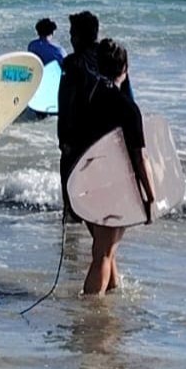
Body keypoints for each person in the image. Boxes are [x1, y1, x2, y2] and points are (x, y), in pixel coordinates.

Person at [75, 39, 155, 294]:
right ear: (125, 67)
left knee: (106, 248)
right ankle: (90, 316)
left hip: (85, 182)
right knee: (103, 254)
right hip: (113, 186)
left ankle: (111, 295)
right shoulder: (127, 108)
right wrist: (150, 197)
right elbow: (140, 158)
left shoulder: (87, 99)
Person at [57, 11, 132, 216]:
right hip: (108, 140)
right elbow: (127, 98)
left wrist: (64, 139)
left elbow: (66, 104)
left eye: (73, 34)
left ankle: (75, 240)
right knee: (102, 204)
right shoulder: (112, 57)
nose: (71, 38)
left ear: (79, 36)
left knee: (73, 203)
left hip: (78, 140)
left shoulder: (73, 64)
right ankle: (102, 245)